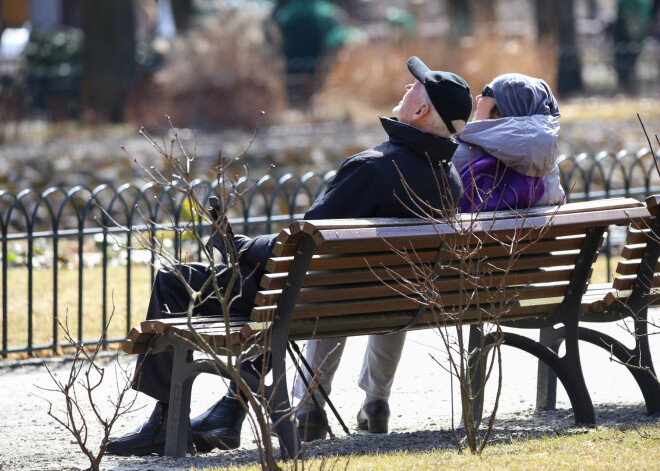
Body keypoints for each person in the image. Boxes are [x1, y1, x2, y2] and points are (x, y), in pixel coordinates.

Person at [105, 56, 473, 456]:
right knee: (269, 291)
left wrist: (242, 245)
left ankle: (165, 421)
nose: (405, 89)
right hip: (366, 302)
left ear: (420, 110)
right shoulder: (448, 179)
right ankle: (229, 411)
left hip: (310, 298)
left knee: (173, 280)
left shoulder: (373, 167)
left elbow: (302, 245)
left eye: (413, 88)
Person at [290, 72, 566, 441]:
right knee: (403, 282)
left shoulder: (456, 158)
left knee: (351, 285)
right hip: (500, 290)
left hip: (427, 290)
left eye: (484, 93)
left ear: (498, 109)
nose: (476, 98)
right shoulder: (548, 169)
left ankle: (315, 403)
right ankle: (376, 400)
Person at [453, 72, 565, 211]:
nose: (478, 98)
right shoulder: (546, 166)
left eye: (486, 92)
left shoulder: (458, 155)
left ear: (500, 112)